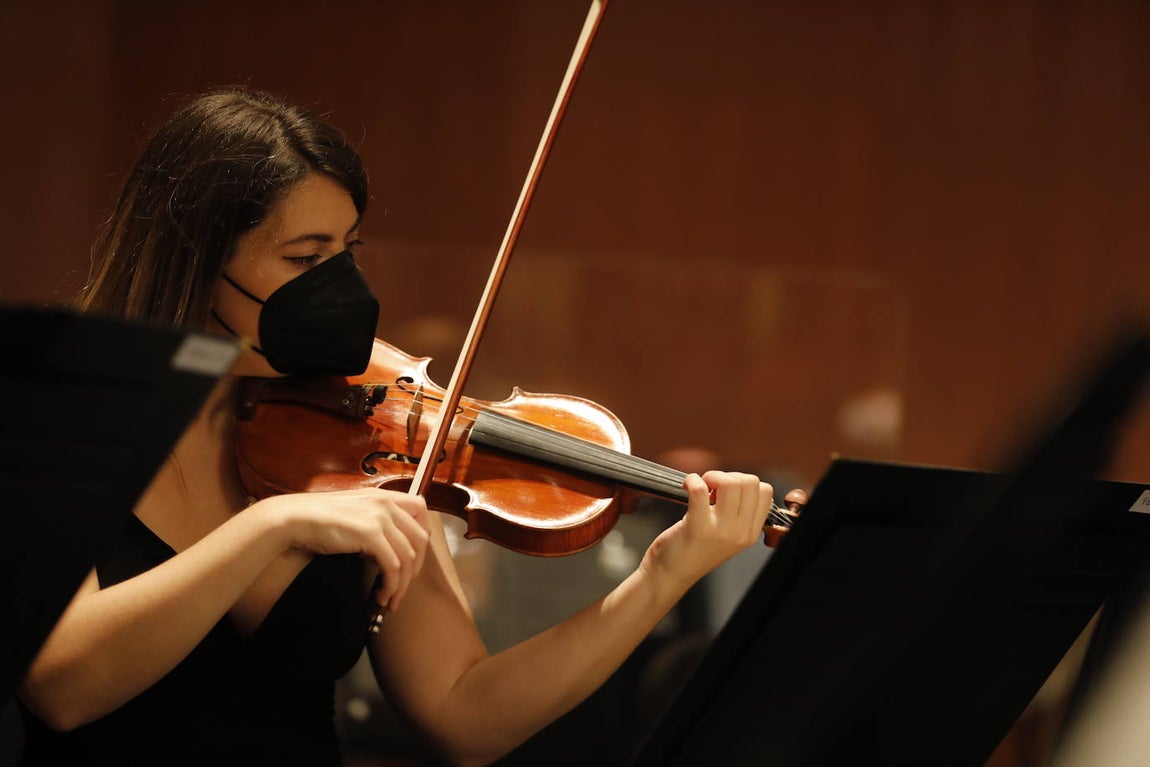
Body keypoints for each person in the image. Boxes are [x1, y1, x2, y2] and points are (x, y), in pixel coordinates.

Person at [14, 86, 774, 766]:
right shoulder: (61, 410)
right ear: (196, 258)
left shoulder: (362, 434)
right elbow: (63, 682)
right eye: (306, 257)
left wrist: (661, 576)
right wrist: (270, 527)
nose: (341, 286)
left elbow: (465, 715)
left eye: (347, 251)